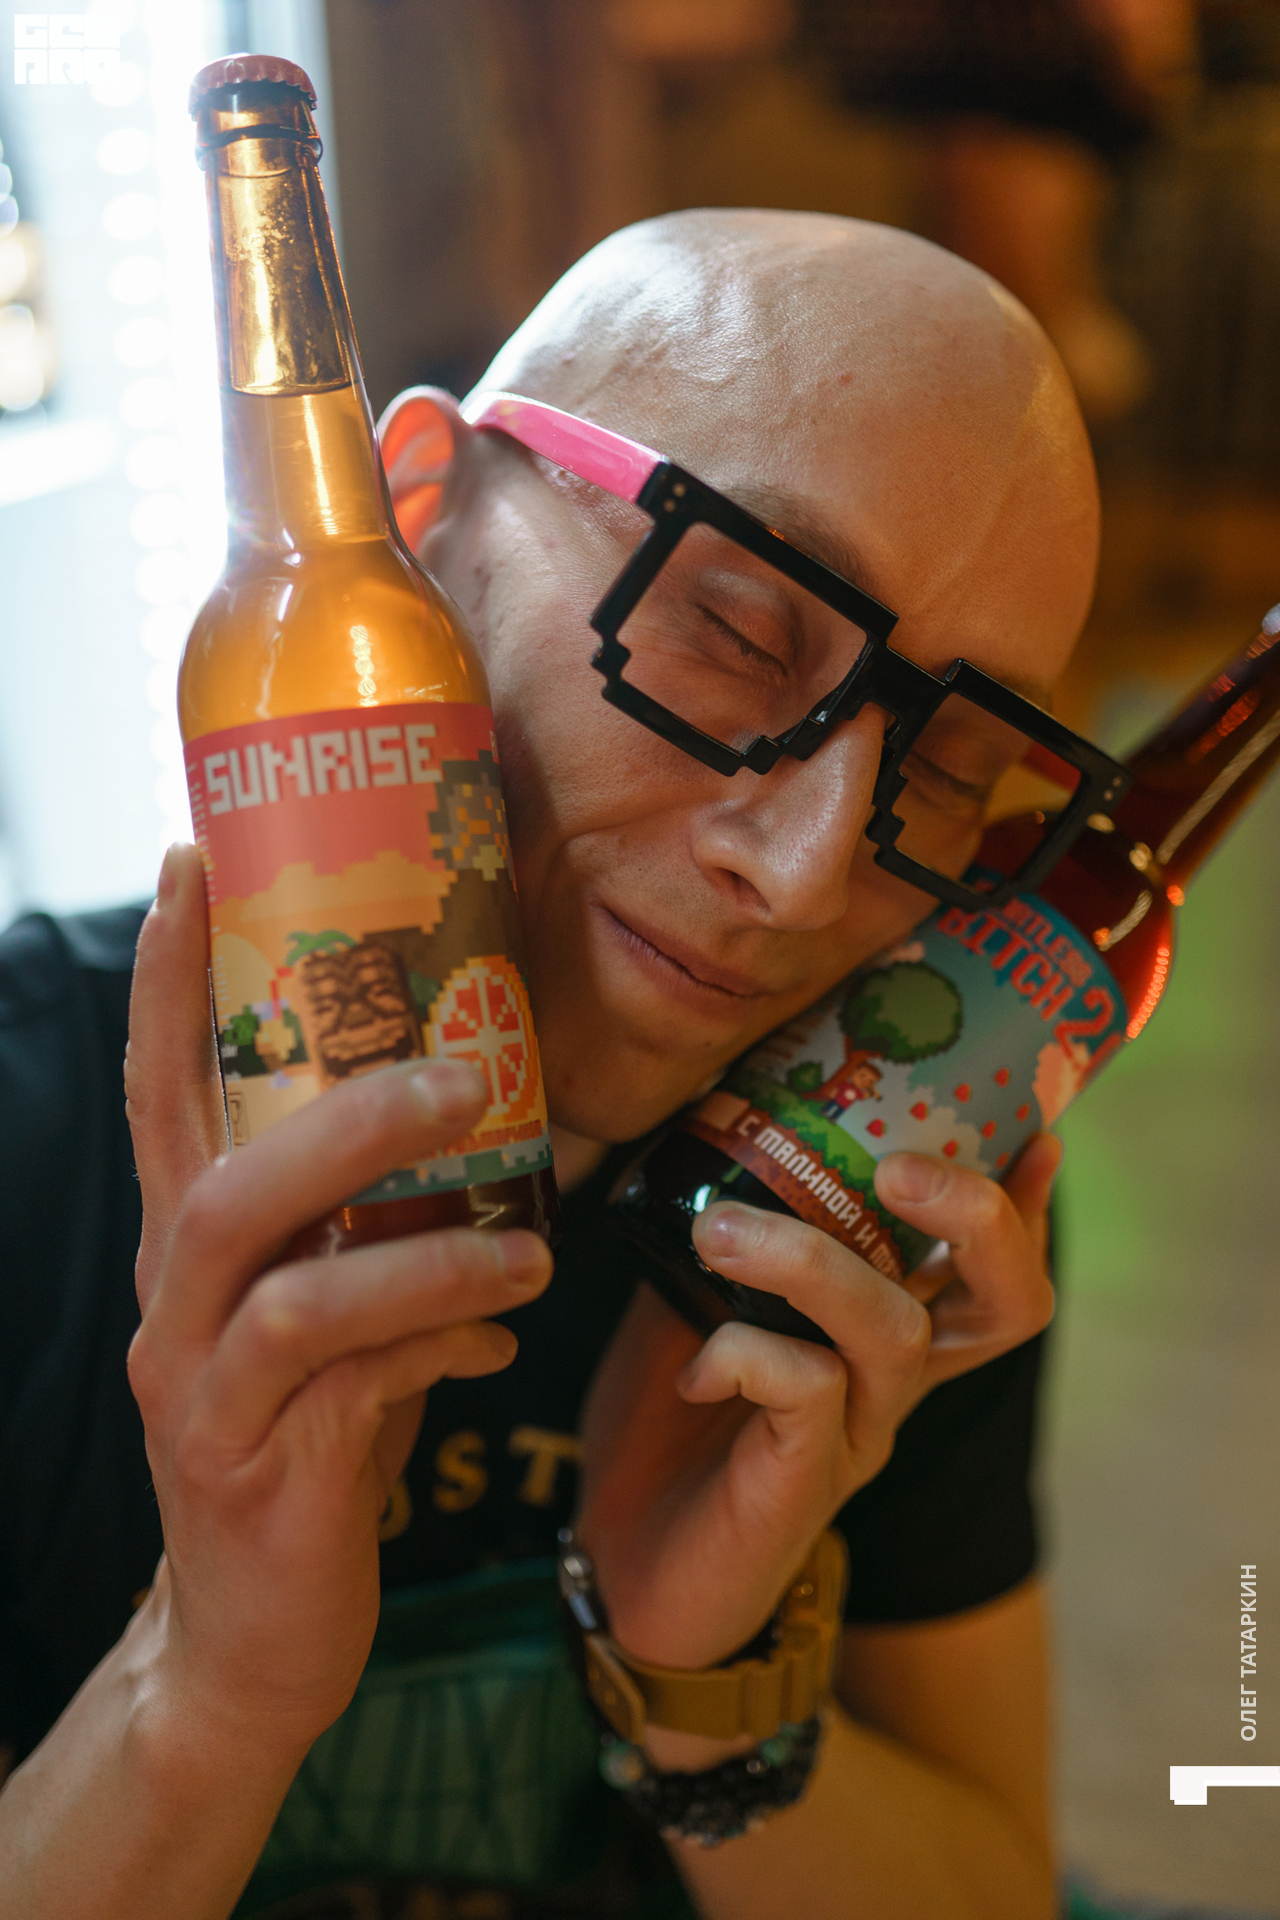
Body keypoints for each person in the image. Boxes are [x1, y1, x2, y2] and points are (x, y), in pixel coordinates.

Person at [0, 209, 1097, 1918]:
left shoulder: (862, 1193)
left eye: (950, 769)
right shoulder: (28, 1135)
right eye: (737, 628)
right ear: (416, 520)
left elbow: (993, 1883)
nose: (806, 873)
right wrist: (207, 1693)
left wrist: (697, 1690)